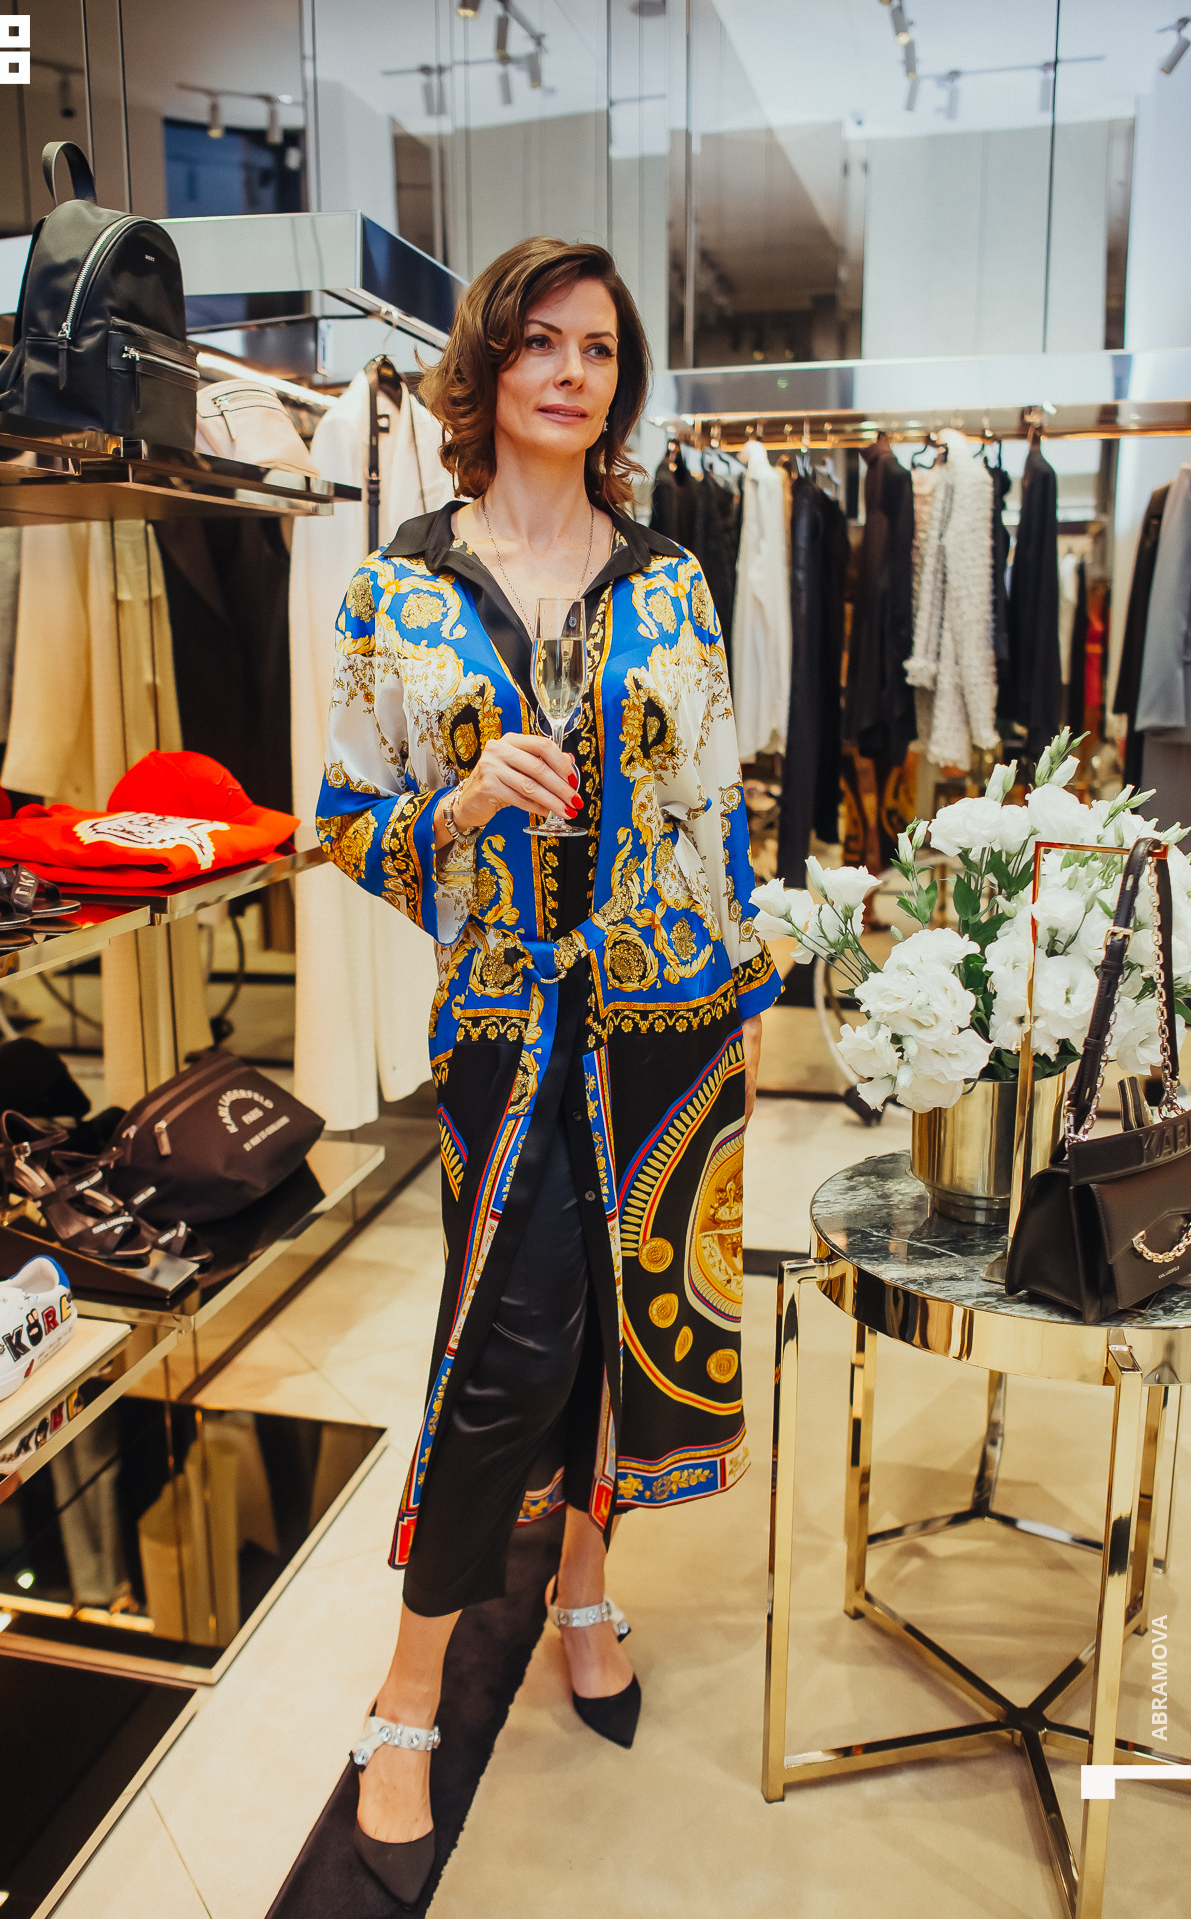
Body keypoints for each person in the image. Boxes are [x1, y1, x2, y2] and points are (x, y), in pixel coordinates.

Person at [317, 235, 780, 1906]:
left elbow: (716, 805)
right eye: (539, 342)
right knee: (499, 1362)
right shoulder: (399, 589)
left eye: (597, 347)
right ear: (486, 366)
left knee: (632, 1337)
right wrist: (451, 806)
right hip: (503, 1039)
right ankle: (405, 1700)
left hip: (666, 1027)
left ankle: (584, 1591)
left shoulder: (669, 581)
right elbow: (339, 816)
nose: (571, 372)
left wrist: (745, 981)